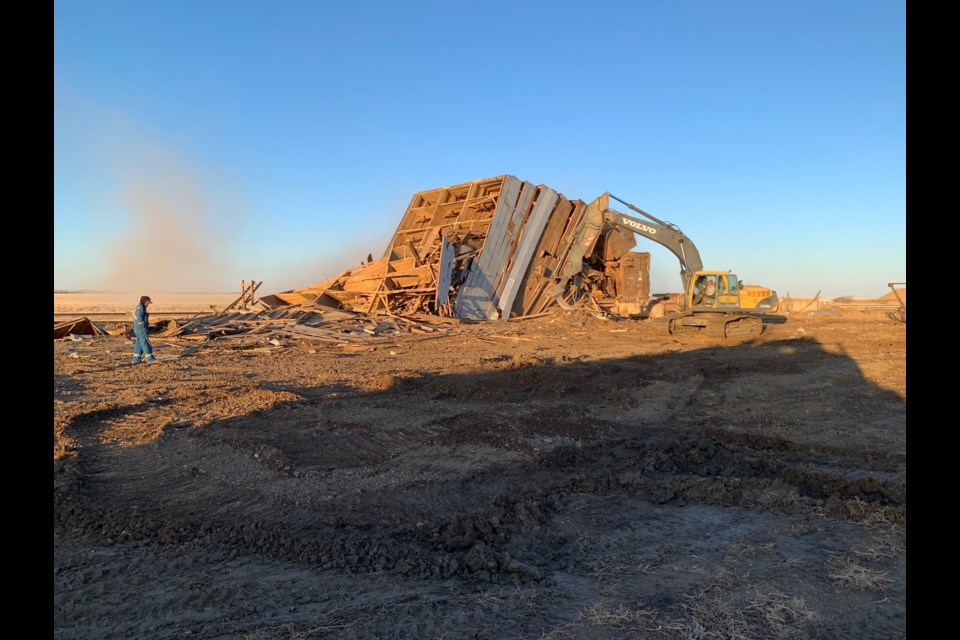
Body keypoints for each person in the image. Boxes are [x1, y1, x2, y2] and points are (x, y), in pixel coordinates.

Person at [131, 295, 156, 364]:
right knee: (145, 343)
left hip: (137, 329)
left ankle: (136, 359)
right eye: (147, 303)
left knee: (139, 344)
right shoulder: (141, 308)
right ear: (144, 301)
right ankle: (150, 358)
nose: (148, 304)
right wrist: (143, 326)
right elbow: (139, 318)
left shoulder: (140, 307)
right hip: (141, 329)